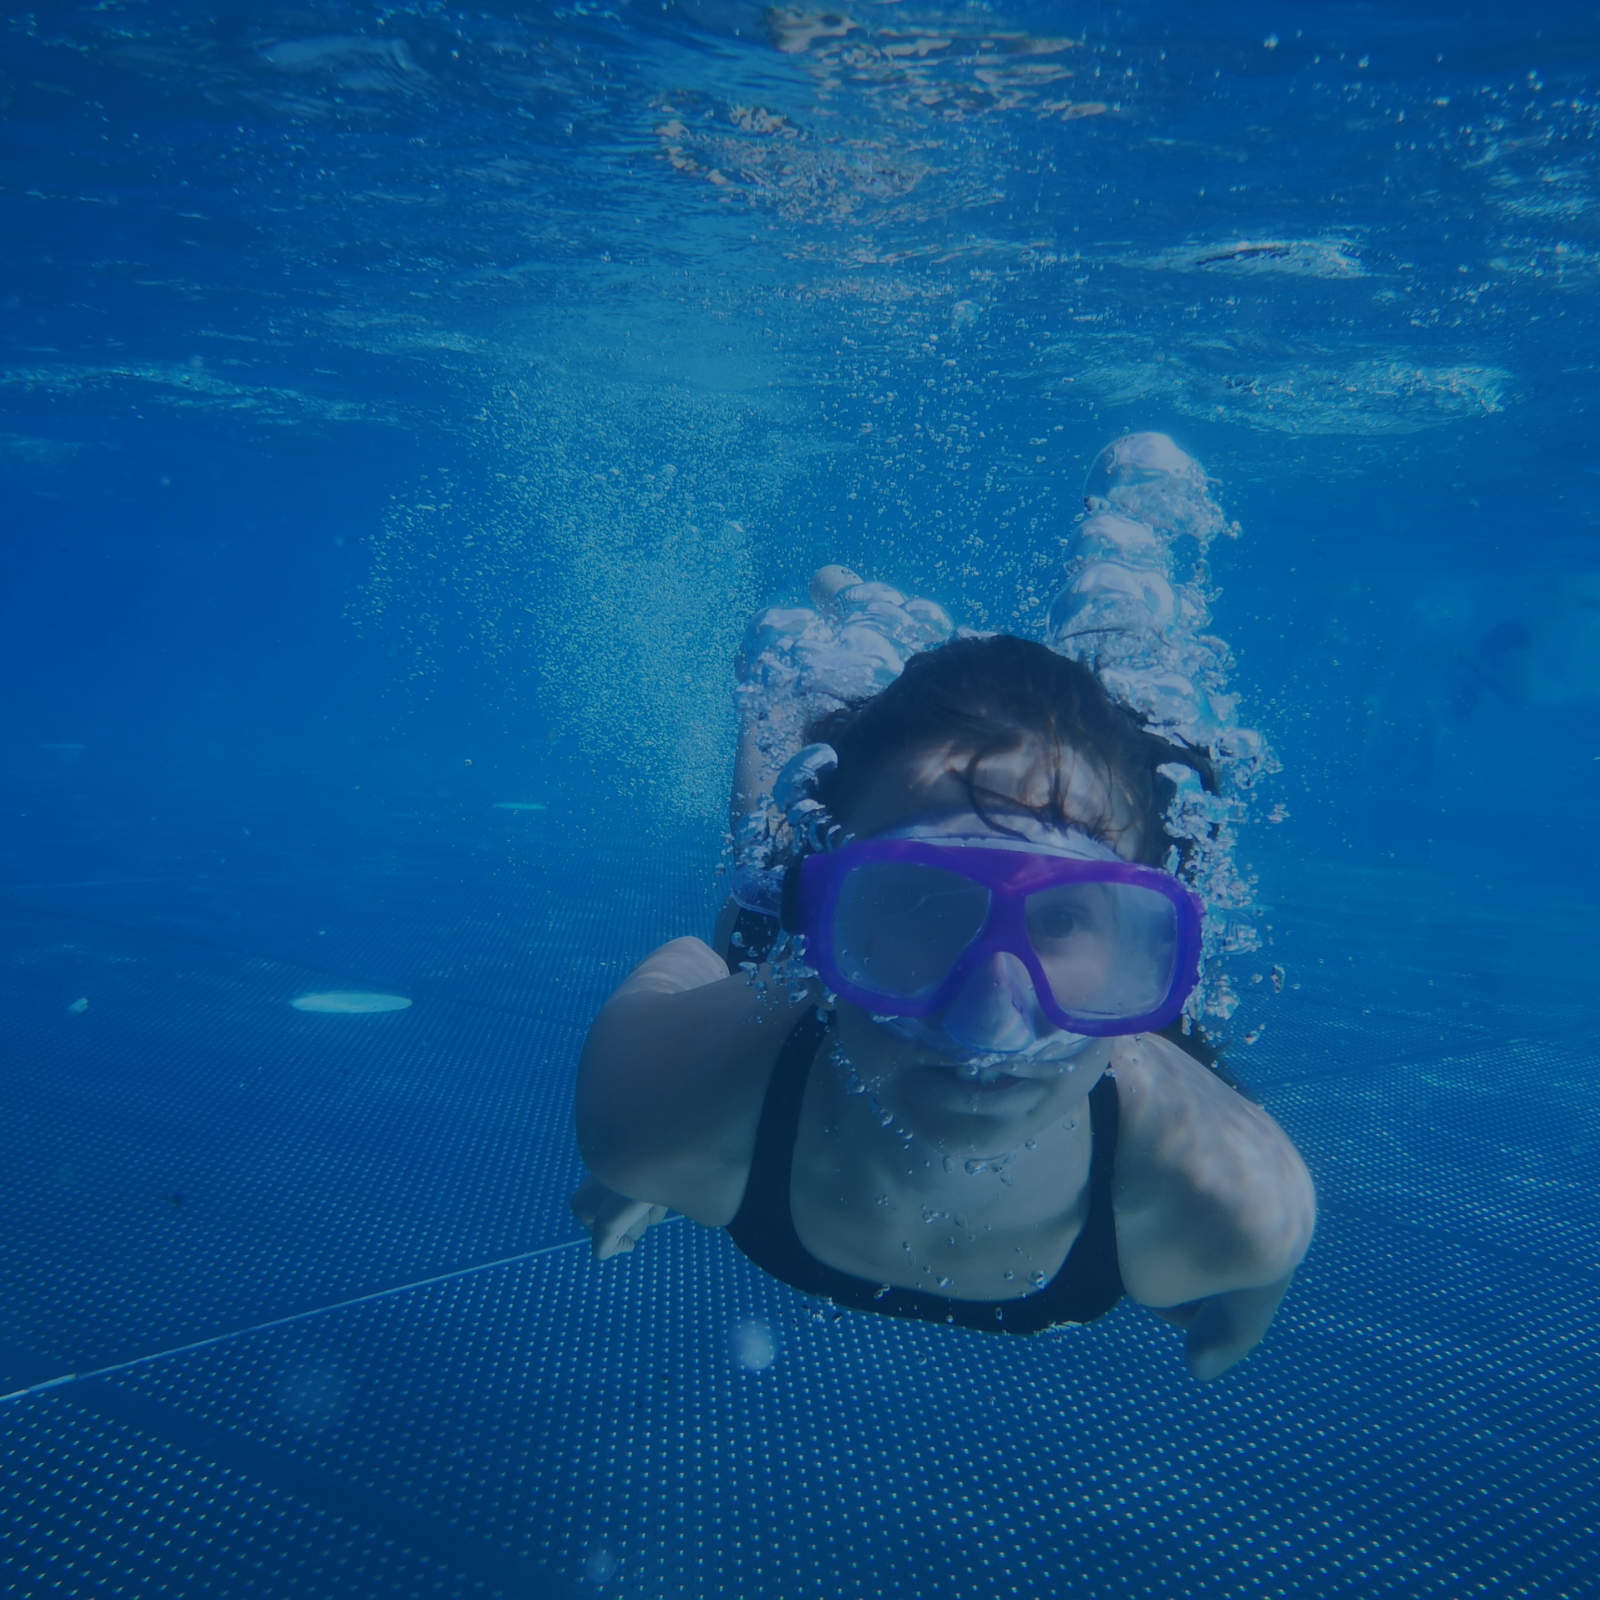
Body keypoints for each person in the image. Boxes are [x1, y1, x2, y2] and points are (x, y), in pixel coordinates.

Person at [571, 599, 1315, 1382]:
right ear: (830, 921)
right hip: (782, 1021)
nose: (989, 1025)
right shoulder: (650, 1112)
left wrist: (1242, 1318)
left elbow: (1260, 1270)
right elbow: (690, 957)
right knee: (755, 906)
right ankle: (799, 680)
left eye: (1062, 918)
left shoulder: (1236, 1207)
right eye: (919, 901)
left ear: (1151, 949)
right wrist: (657, 1120)